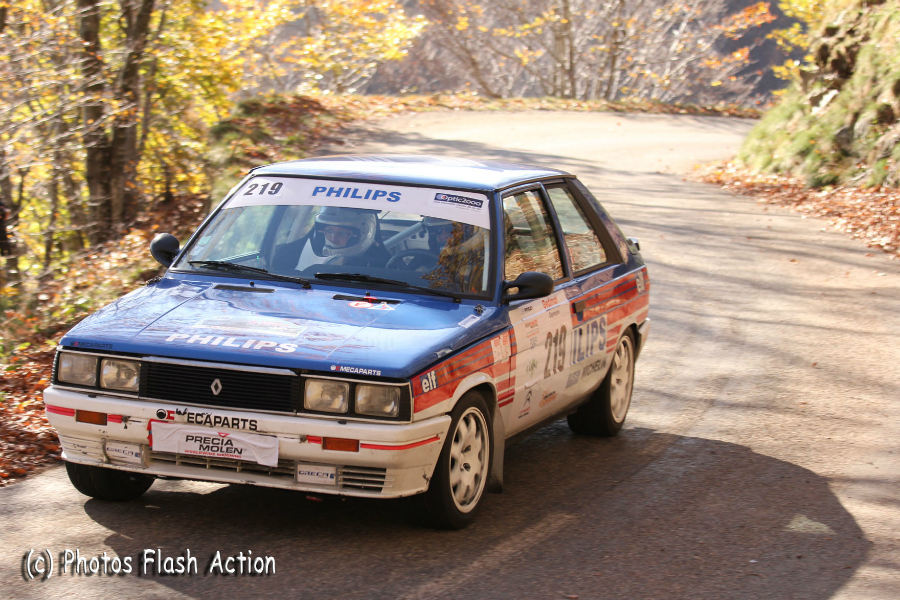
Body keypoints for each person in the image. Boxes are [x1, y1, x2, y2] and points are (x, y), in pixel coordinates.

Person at [272, 206, 390, 273]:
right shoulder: (291, 254)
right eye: (329, 231)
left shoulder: (386, 267)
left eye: (343, 233)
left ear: (364, 234)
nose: (333, 238)